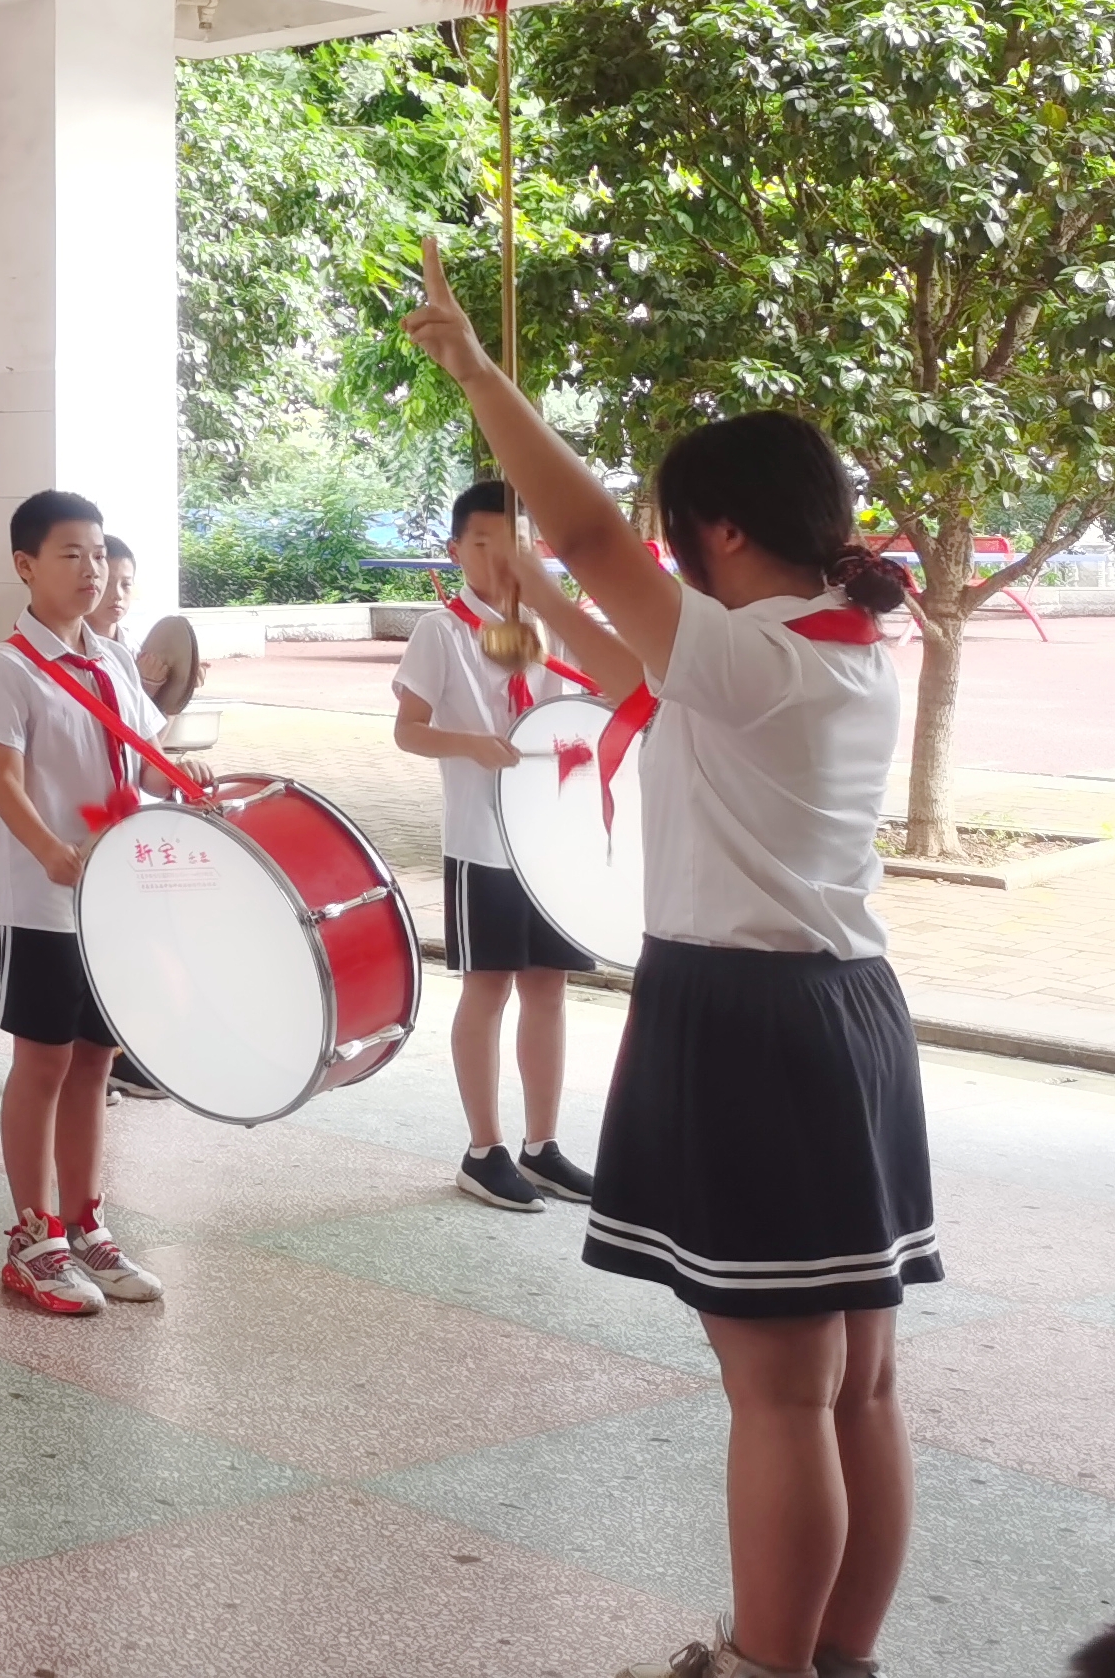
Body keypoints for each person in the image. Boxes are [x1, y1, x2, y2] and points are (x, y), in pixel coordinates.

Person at [403, 243, 932, 1678]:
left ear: (720, 535)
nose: (654, 546)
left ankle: (764, 1671)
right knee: (856, 1386)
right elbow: (637, 662)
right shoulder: (834, 645)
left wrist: (475, 372)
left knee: (776, 1396)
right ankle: (833, 1657)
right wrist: (539, 593)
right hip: (843, 1013)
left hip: (748, 1017)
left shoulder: (765, 659)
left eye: (666, 529)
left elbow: (587, 544)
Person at [394, 479, 636, 1213]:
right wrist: (471, 743)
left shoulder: (550, 627)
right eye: (483, 545)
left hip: (547, 840)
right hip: (481, 841)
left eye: (516, 545)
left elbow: (584, 710)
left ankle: (543, 1146)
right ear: (455, 550)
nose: (500, 560)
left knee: (549, 987)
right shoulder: (441, 632)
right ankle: (484, 1147)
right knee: (489, 987)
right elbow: (408, 730)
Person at [0, 488, 173, 1318]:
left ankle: (86, 1222)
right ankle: (32, 1235)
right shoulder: (8, 669)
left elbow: (150, 761)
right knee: (44, 1059)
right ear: (25, 566)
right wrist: (51, 851)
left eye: (98, 554)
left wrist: (201, 794)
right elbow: (4, 781)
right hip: (43, 901)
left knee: (97, 1058)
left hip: (116, 898)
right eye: (69, 555)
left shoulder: (117, 661)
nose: (91, 570)